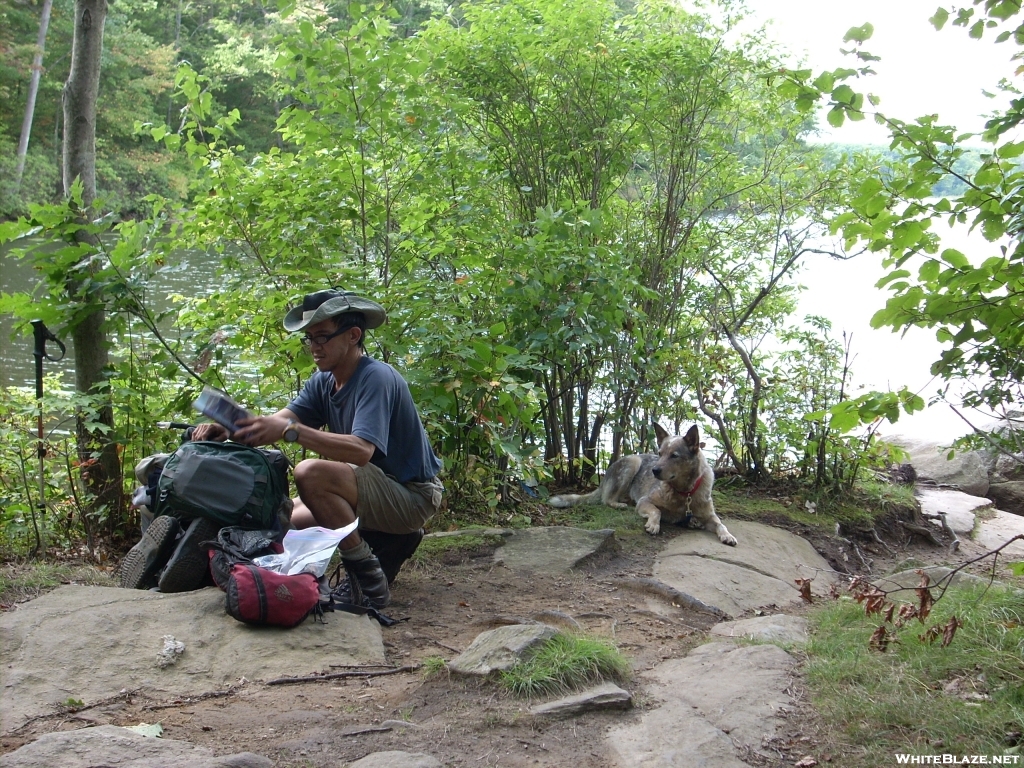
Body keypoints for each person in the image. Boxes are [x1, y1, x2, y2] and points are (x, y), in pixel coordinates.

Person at [232, 288, 443, 610]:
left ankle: (366, 578)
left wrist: (291, 432)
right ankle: (390, 540)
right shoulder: (323, 381)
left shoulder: (376, 377)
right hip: (372, 489)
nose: (315, 348)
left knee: (310, 472)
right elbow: (276, 423)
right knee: (282, 524)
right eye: (310, 339)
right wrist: (234, 428)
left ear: (353, 335)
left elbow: (361, 451)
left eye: (322, 337)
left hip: (411, 495)